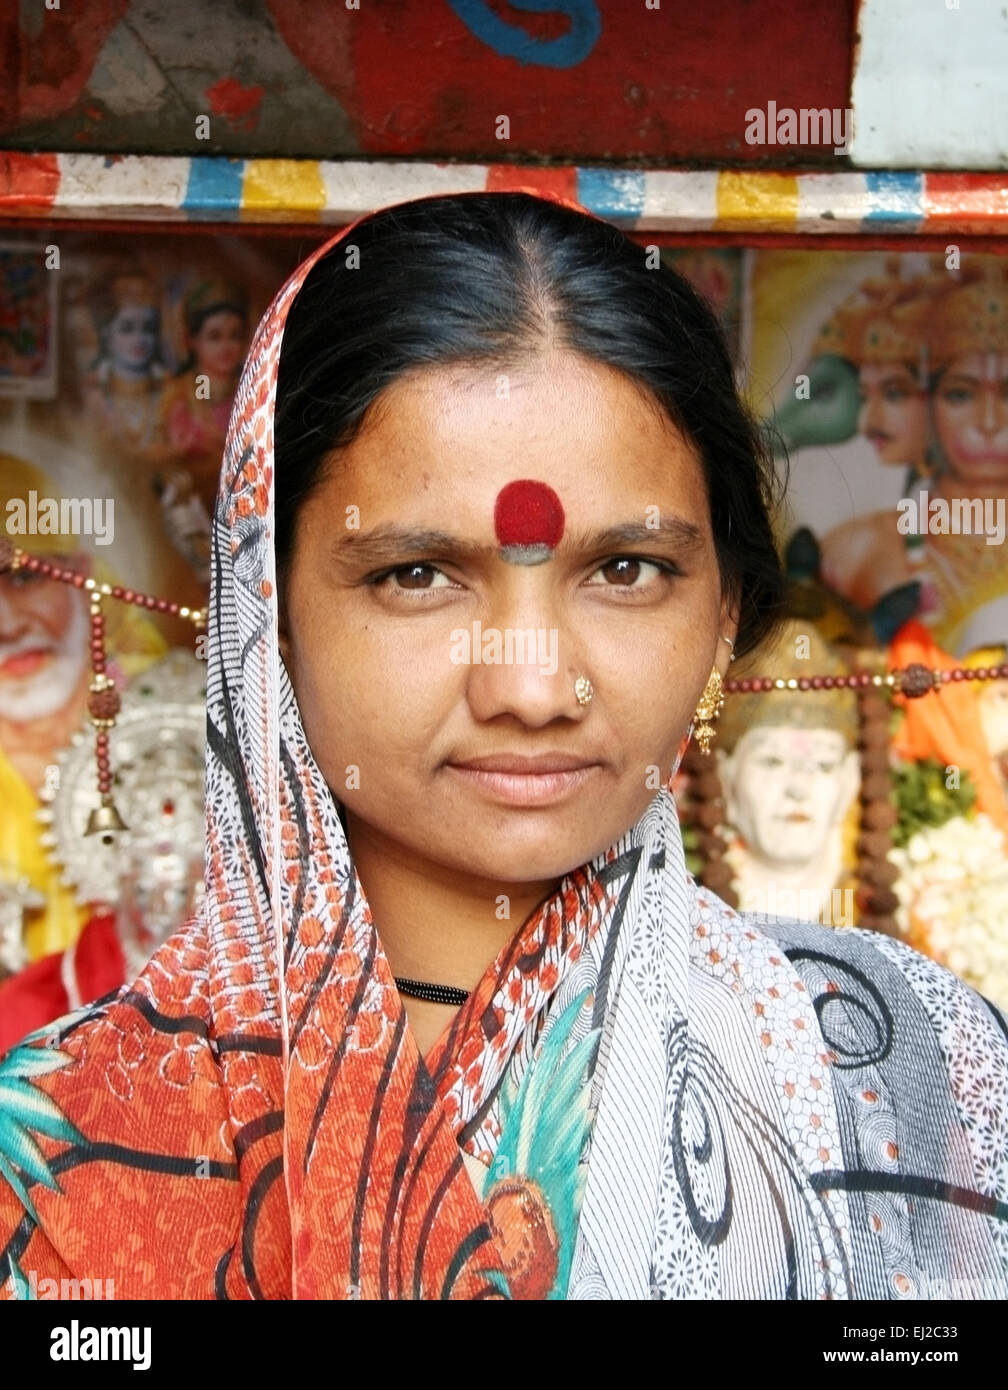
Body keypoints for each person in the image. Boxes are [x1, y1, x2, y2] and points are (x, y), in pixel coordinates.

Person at [1, 192, 1006, 1301]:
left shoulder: (912, 1076)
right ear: (265, 615)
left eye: (625, 569)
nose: (533, 685)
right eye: (418, 573)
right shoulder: (61, 1149)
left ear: (723, 615)